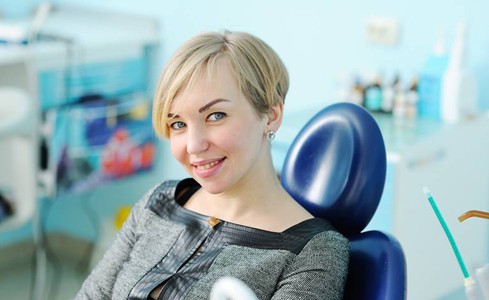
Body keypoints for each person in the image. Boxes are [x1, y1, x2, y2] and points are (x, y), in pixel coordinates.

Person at [75, 30, 349, 300]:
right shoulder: (160, 202)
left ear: (271, 115)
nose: (194, 145)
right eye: (178, 124)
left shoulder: (312, 251)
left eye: (216, 116)